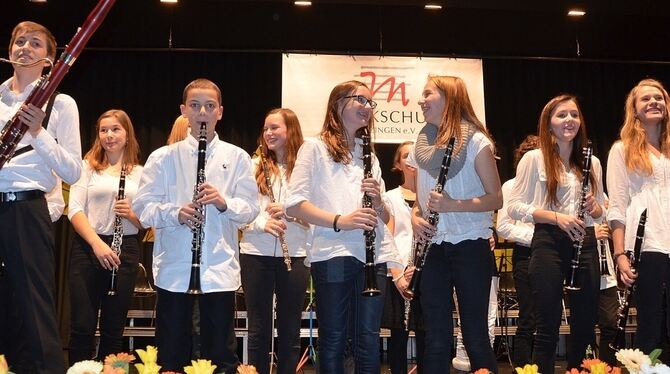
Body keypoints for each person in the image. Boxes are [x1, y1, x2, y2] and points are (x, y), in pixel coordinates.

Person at [133, 78, 259, 373]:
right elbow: (143, 210)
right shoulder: (162, 158)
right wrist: (176, 214)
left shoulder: (237, 157)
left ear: (220, 112)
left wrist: (223, 202)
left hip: (219, 270)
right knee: (172, 353)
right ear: (184, 111)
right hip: (175, 269)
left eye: (210, 106)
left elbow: (251, 210)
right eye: (195, 105)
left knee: (221, 354)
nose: (203, 111)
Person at [285, 80, 405, 374]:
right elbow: (294, 204)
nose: (368, 107)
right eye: (360, 100)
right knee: (335, 338)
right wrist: (342, 221)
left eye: (370, 102)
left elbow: (385, 217)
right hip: (333, 251)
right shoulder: (314, 148)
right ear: (338, 104)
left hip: (372, 256)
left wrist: (378, 202)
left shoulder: (370, 155)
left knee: (368, 339)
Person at [0, 21, 82, 374]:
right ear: (9, 51)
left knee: (34, 305)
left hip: (26, 209)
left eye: (36, 44)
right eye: (20, 41)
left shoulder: (61, 103)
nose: (25, 48)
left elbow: (73, 171)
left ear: (50, 59)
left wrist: (37, 131)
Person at [408, 75, 502, 373]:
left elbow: (496, 199)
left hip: (470, 246)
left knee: (474, 335)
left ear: (450, 98)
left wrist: (452, 205)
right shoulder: (420, 144)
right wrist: (415, 218)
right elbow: (417, 200)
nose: (421, 100)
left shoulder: (477, 142)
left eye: (428, 94)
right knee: (434, 336)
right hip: (433, 248)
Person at [508, 94, 605, 373]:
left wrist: (596, 208)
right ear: (548, 123)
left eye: (574, 115)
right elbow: (514, 207)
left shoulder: (592, 162)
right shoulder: (533, 159)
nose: (569, 120)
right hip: (548, 240)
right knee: (547, 324)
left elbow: (602, 211)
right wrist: (556, 218)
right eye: (561, 115)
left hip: (583, 241)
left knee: (585, 324)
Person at [66, 109, 144, 364]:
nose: (109, 135)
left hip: (125, 249)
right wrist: (97, 244)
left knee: (113, 328)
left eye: (115, 129)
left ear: (127, 134)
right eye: (103, 130)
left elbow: (149, 220)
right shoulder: (86, 168)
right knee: (82, 325)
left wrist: (132, 215)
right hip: (89, 246)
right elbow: (74, 210)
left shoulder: (140, 173)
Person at [238, 108, 310, 374]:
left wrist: (291, 214)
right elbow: (239, 211)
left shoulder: (305, 170)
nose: (268, 133)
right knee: (258, 328)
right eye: (266, 128)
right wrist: (261, 224)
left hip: (297, 254)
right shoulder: (251, 165)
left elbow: (316, 215)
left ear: (290, 130)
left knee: (291, 329)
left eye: (275, 128)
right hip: (255, 252)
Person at [607, 78, 670, 356]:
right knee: (651, 327)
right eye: (645, 99)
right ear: (634, 109)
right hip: (647, 246)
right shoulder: (621, 150)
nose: (653, 102)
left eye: (659, 97)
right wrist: (620, 254)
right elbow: (617, 207)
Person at [380, 141, 426, 374]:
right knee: (399, 336)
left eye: (415, 155)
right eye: (406, 156)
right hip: (399, 274)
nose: (411, 160)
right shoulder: (389, 198)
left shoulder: (433, 197)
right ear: (398, 164)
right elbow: (387, 237)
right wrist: (398, 274)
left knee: (428, 335)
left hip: (428, 273)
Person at [496, 134, 539, 367]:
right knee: (528, 317)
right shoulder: (510, 186)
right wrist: (537, 238)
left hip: (550, 255)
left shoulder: (552, 184)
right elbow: (503, 226)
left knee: (548, 316)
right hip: (526, 254)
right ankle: (523, 369)